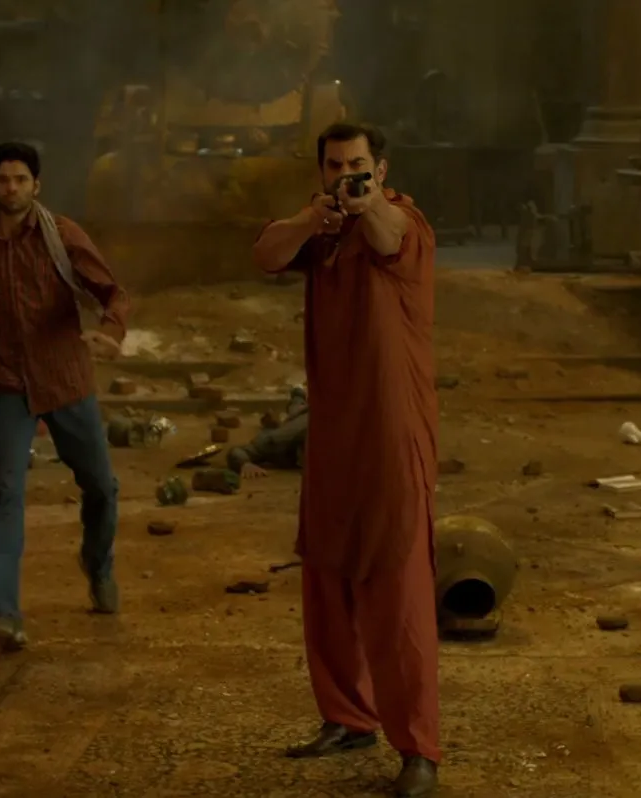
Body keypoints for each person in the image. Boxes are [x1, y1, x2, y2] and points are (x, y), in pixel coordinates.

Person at [249, 122, 440, 798]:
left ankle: (418, 749)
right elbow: (266, 253)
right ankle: (347, 717)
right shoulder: (321, 230)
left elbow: (388, 237)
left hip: (391, 427)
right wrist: (313, 218)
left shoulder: (403, 219)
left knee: (396, 586)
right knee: (326, 572)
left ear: (380, 169)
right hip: (332, 429)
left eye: (357, 164)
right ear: (322, 172)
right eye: (335, 166)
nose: (346, 175)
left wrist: (366, 205)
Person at [0, 141, 130, 652]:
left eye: (21, 179)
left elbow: (112, 292)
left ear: (36, 185)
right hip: (4, 380)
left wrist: (111, 332)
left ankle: (97, 565)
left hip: (65, 378)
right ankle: (5, 614)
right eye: (3, 180)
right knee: (5, 493)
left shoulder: (61, 235)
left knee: (101, 487)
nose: (12, 189)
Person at [231, 387, 309, 478]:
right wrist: (245, 463)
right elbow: (238, 451)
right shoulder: (279, 441)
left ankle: (298, 397)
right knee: (297, 410)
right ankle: (298, 396)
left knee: (298, 409)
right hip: (297, 421)